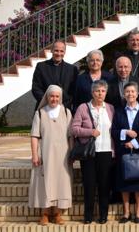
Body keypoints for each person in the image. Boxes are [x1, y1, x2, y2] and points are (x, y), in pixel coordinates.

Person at [71, 80, 115, 224]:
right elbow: (74, 129)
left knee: (104, 185)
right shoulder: (83, 108)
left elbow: (114, 131)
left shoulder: (110, 108)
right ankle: (88, 215)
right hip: (88, 153)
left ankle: (103, 215)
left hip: (106, 152)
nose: (100, 93)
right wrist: (90, 132)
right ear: (92, 92)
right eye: (97, 91)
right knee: (89, 185)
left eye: (103, 91)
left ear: (106, 93)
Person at [28, 85, 73, 226]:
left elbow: (71, 136)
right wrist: (35, 155)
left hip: (63, 156)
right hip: (45, 154)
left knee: (61, 182)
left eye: (57, 96)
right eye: (51, 96)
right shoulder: (40, 113)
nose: (54, 99)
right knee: (44, 182)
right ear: (47, 97)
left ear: (60, 98)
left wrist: (72, 154)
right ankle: (45, 213)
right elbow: (34, 136)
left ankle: (58, 214)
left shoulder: (66, 112)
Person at [111, 82, 139, 224]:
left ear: (137, 94)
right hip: (123, 151)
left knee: (138, 182)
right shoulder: (118, 111)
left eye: (133, 91)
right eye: (127, 92)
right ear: (124, 94)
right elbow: (113, 131)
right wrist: (125, 132)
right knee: (124, 182)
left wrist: (134, 142)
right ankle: (126, 212)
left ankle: (138, 212)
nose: (130, 94)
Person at [31, 40, 78, 110]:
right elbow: (36, 88)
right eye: (56, 50)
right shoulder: (41, 66)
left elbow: (73, 91)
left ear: (65, 52)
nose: (59, 53)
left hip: (64, 109)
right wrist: (48, 103)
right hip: (44, 108)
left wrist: (63, 106)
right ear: (51, 50)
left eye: (61, 51)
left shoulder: (72, 69)